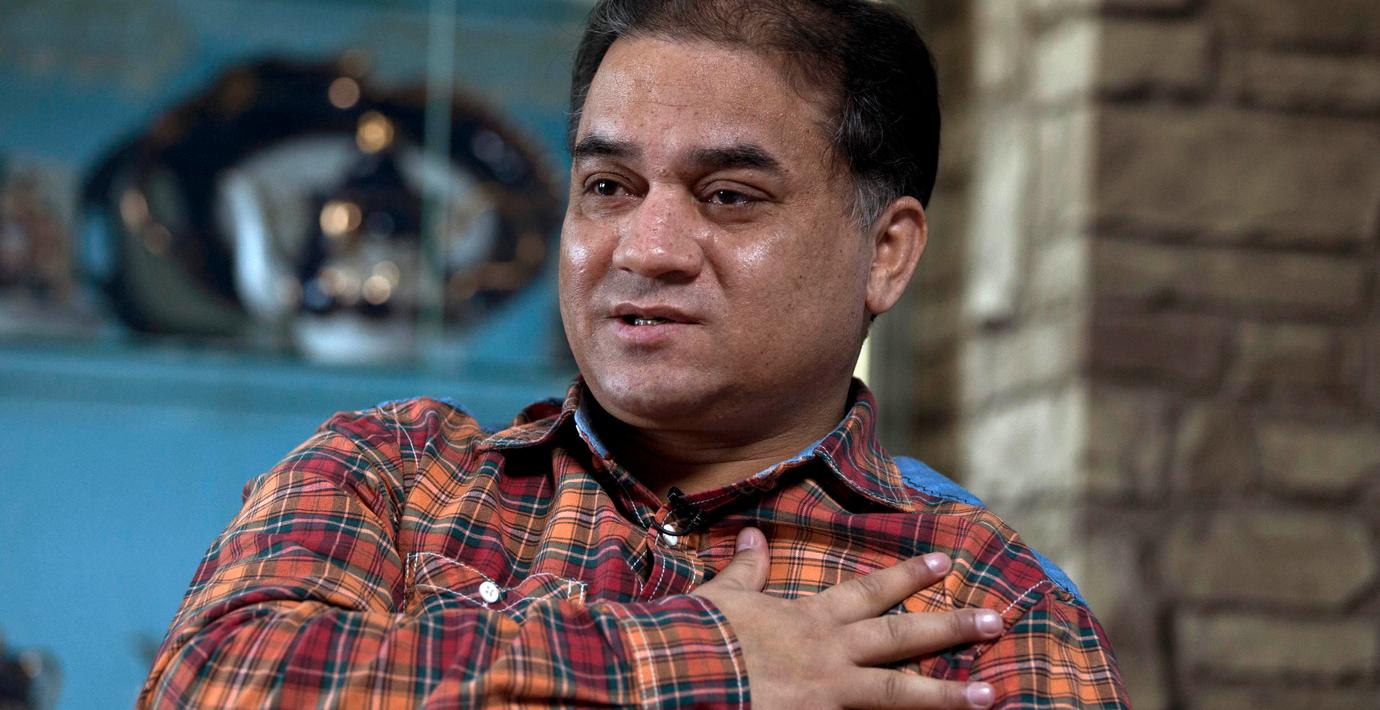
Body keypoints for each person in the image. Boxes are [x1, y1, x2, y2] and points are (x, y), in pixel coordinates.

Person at [139, 1, 1129, 707]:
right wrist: (715, 663)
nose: (646, 249)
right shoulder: (391, 477)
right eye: (609, 187)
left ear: (887, 253)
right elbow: (219, 682)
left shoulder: (982, 607)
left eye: (730, 196)